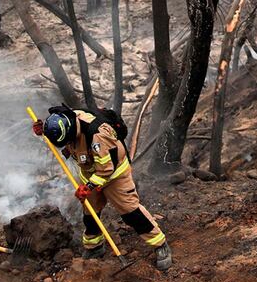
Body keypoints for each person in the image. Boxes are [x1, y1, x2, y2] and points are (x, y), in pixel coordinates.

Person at [32, 106, 172, 271]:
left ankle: (159, 244)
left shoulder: (97, 133)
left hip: (114, 176)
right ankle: (94, 246)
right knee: (90, 212)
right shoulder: (65, 121)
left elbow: (106, 169)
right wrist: (45, 133)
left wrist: (88, 187)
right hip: (90, 173)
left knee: (130, 212)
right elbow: (62, 138)